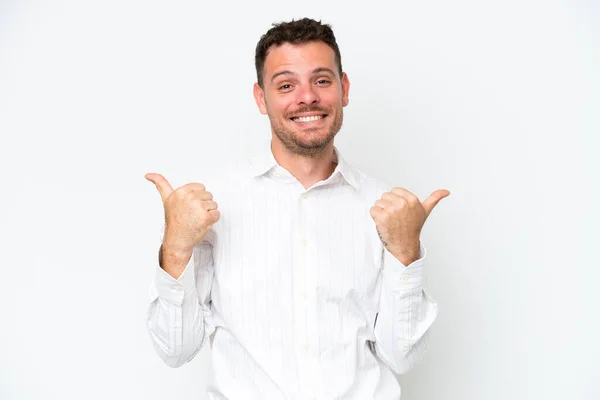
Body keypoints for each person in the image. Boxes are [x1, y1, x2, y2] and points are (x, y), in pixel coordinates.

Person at [145, 17, 449, 400]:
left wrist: (407, 253)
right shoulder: (209, 206)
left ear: (344, 88)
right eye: (286, 85)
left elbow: (402, 355)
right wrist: (175, 249)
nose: (307, 97)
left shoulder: (386, 209)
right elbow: (176, 349)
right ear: (261, 98)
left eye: (322, 80)